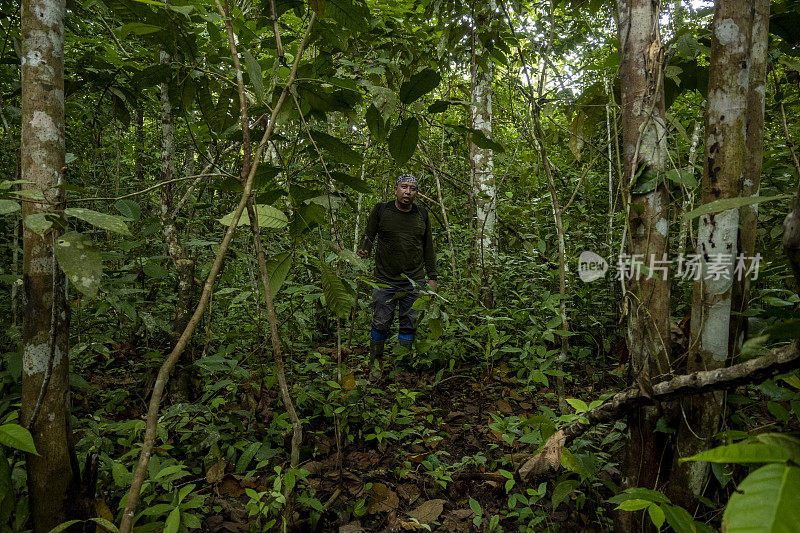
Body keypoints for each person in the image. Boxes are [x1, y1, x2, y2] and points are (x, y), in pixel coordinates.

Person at [358, 174, 438, 380]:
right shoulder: (381, 210)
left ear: (416, 194)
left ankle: (403, 367)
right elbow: (369, 234)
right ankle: (375, 364)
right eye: (404, 187)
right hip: (385, 279)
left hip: (415, 280)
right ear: (395, 189)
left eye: (412, 189)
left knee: (409, 322)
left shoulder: (422, 214)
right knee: (381, 322)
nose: (407, 192)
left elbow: (428, 247)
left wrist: (433, 278)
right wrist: (363, 251)